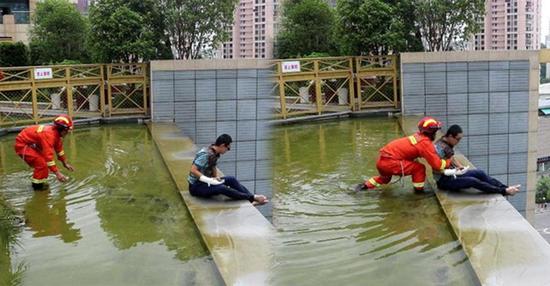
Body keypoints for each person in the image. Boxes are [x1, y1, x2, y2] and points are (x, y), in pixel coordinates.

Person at [355, 116, 451, 192]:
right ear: (433, 132)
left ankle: (364, 186)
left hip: (382, 161)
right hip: (391, 163)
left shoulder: (417, 137)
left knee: (385, 179)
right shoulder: (425, 143)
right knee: (419, 168)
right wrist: (448, 162)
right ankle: (419, 191)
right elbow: (437, 165)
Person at [434, 124, 520, 196]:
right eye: (458, 139)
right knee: (472, 181)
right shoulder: (439, 149)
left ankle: (505, 187)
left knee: (479, 173)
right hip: (444, 181)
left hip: (454, 174)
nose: (458, 142)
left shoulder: (447, 143)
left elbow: (451, 158)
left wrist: (461, 167)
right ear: (450, 136)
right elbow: (435, 169)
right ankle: (503, 191)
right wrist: (450, 172)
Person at [188, 134, 268, 205]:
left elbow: (213, 165)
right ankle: (252, 197)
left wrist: (215, 177)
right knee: (222, 188)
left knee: (231, 179)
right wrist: (209, 180)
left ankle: (251, 199)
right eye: (228, 148)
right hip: (196, 187)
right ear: (222, 145)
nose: (227, 150)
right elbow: (193, 170)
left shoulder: (214, 152)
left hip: (206, 182)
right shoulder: (205, 155)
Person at [14, 115, 75, 191]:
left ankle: (41, 182)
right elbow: (48, 157)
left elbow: (59, 151)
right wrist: (58, 174)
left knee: (44, 164)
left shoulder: (56, 134)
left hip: (32, 144)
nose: (68, 133)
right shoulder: (49, 135)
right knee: (42, 164)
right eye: (67, 130)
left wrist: (65, 163)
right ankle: (37, 187)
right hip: (22, 145)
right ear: (62, 129)